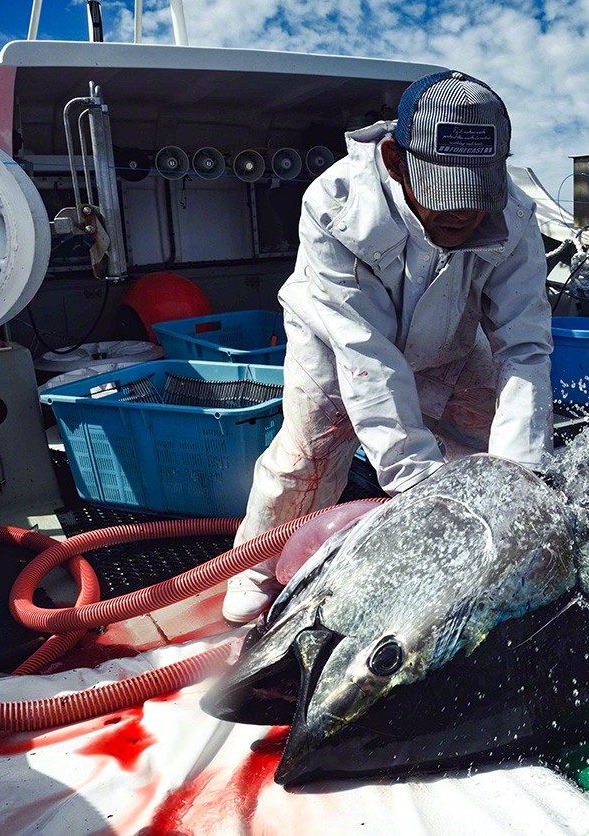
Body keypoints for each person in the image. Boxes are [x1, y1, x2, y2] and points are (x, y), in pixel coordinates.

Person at [223, 71, 554, 623]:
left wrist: (520, 489)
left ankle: (489, 557)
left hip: (451, 338)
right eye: (447, 192)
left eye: (478, 193)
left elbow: (525, 347)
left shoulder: (515, 215)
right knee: (308, 455)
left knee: (493, 455)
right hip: (337, 342)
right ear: (396, 161)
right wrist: (424, 493)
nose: (465, 211)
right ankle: (254, 569)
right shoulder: (333, 204)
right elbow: (368, 360)